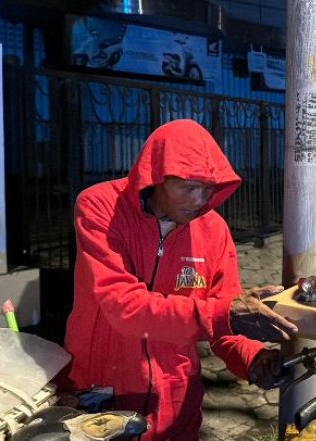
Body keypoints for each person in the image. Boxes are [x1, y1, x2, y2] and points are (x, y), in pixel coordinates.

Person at [64, 119, 297, 440]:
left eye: (208, 188)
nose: (199, 199)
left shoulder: (213, 232)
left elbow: (221, 324)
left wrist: (253, 358)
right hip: (101, 393)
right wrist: (227, 314)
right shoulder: (101, 206)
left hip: (174, 399)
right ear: (155, 176)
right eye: (188, 187)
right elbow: (123, 306)